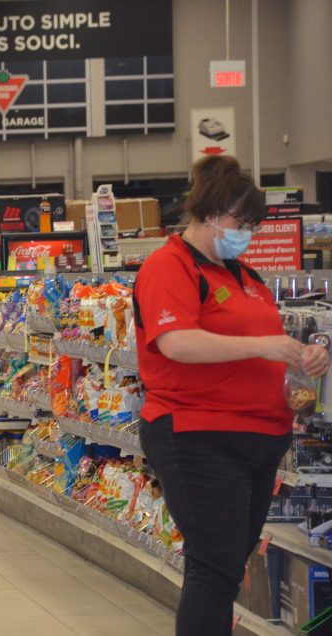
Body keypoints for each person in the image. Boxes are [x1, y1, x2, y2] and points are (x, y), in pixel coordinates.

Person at [133, 156, 329, 635]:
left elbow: (260, 350)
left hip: (259, 440)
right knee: (214, 566)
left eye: (253, 225)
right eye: (241, 222)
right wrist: (265, 345)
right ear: (209, 211)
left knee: (226, 569)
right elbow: (176, 342)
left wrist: (303, 359)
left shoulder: (245, 277)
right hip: (198, 436)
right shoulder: (170, 265)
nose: (248, 233)